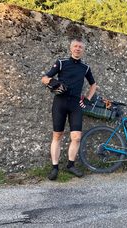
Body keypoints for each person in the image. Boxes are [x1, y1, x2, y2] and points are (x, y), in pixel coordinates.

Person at [41, 38, 97, 180]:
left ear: (82, 50)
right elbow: (45, 78)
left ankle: (71, 165)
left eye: (80, 47)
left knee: (76, 137)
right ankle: (55, 167)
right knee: (57, 136)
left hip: (75, 104)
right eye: (75, 46)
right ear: (71, 48)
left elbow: (93, 85)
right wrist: (54, 82)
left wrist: (87, 99)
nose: (78, 49)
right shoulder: (61, 63)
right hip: (60, 103)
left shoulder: (85, 68)